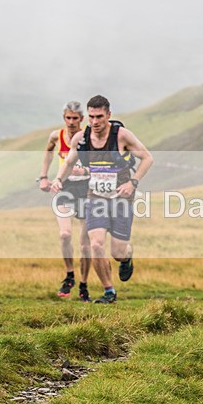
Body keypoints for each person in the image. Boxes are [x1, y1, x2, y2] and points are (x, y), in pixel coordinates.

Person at [51, 95, 153, 304]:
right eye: (91, 117)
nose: (95, 122)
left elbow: (147, 158)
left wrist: (132, 182)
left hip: (121, 198)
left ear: (108, 115)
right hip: (95, 197)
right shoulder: (81, 138)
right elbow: (69, 162)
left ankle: (127, 255)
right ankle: (109, 291)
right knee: (96, 244)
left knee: (117, 252)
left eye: (99, 117)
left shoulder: (122, 136)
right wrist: (58, 179)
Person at [38, 101, 92, 300]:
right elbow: (48, 151)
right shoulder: (57, 136)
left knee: (86, 244)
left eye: (75, 119)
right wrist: (44, 176)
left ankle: (84, 285)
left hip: (86, 188)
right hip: (64, 187)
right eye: (68, 118)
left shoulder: (89, 137)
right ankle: (70, 275)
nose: (71, 122)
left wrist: (85, 170)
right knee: (64, 234)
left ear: (82, 119)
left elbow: (101, 162)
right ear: (64, 118)